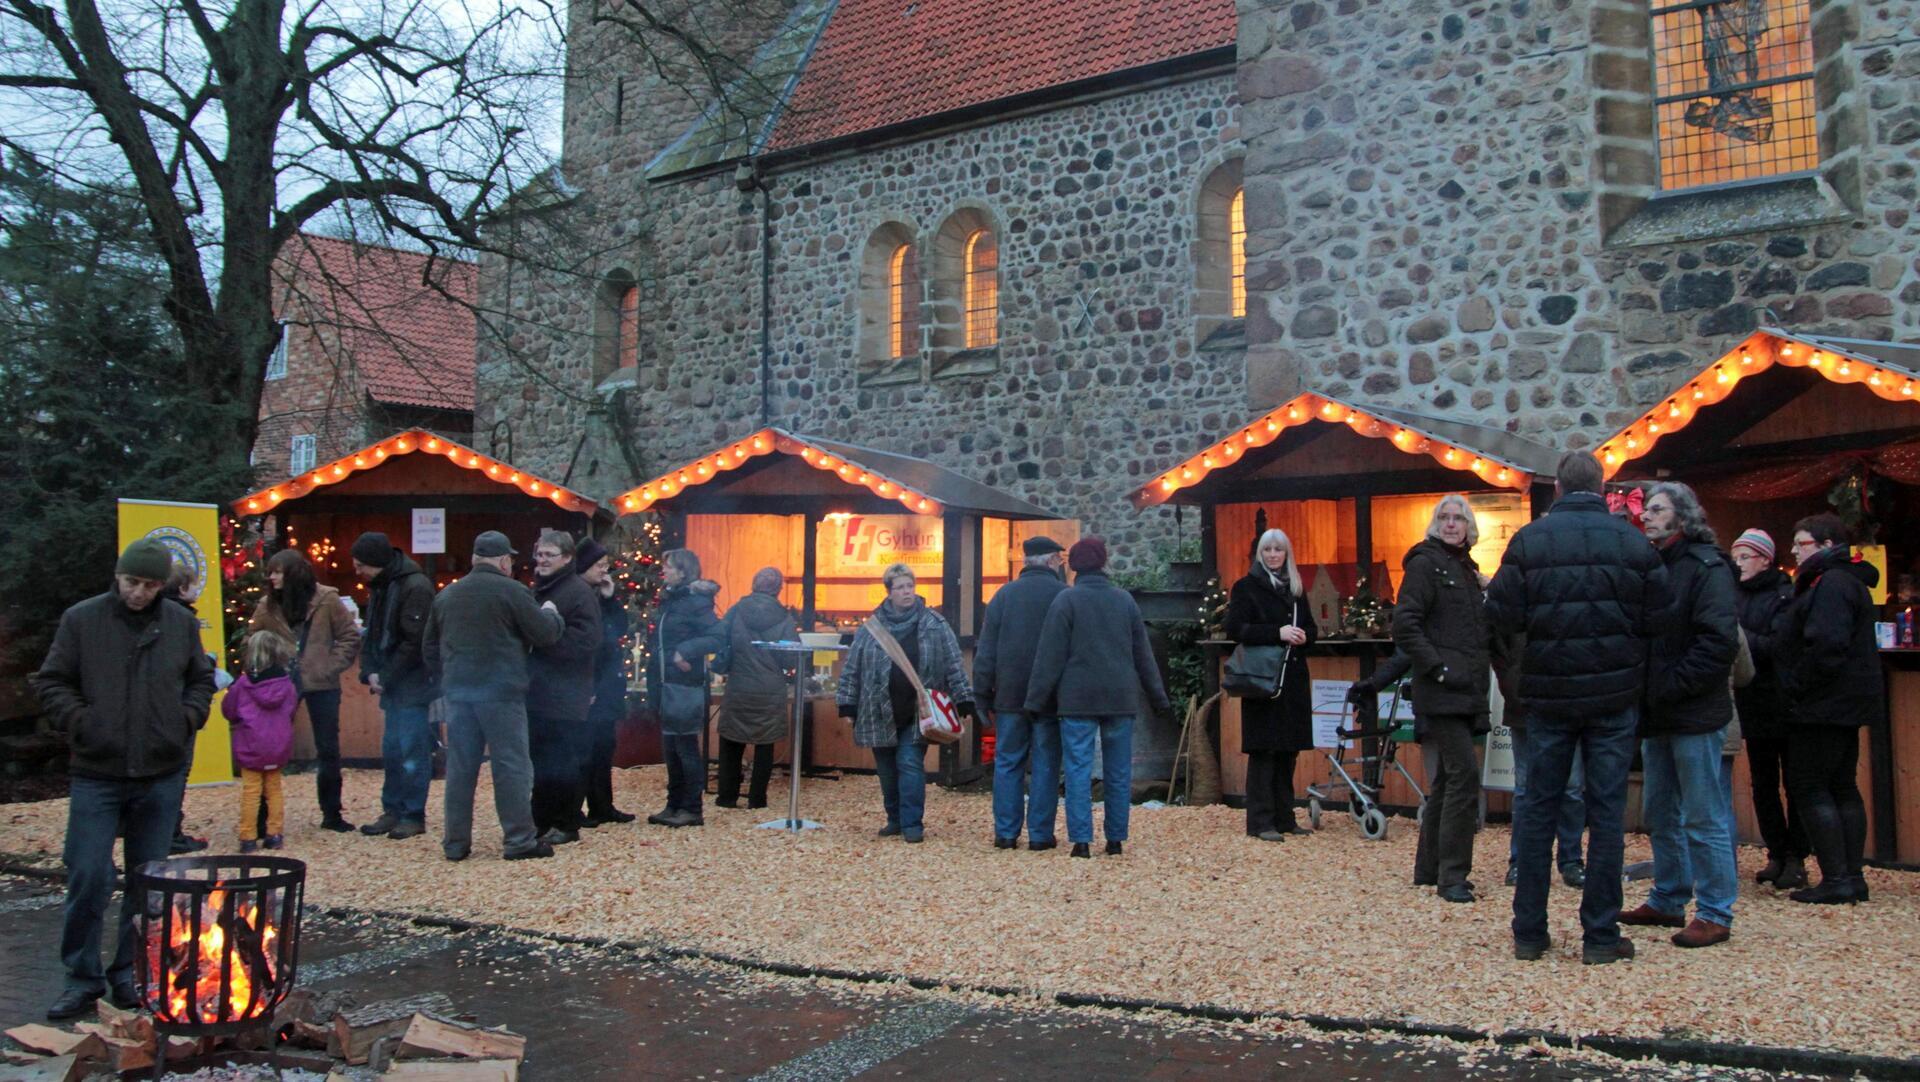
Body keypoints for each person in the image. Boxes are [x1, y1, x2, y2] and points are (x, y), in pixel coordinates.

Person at [1486, 451, 1666, 966]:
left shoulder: (1530, 540)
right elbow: (1661, 615)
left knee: (1538, 807)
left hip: (1549, 695)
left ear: (1559, 489)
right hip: (1612, 697)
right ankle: (1601, 937)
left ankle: (1530, 932)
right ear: (1602, 487)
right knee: (1606, 815)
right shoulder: (1631, 541)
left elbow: (1500, 614)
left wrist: (1526, 672)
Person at [33, 539, 215, 1019]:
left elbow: (201, 678)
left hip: (160, 769)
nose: (139, 593)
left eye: (150, 585)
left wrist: (186, 718)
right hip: (98, 769)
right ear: (118, 577)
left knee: (148, 881)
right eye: (133, 582)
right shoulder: (83, 620)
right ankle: (81, 978)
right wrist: (82, 722)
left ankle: (131, 972)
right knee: (89, 873)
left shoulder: (179, 623)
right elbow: (52, 681)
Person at [1620, 482, 1739, 949]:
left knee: (1703, 814)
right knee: (1660, 811)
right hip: (1660, 713)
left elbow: (1718, 642)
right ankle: (1669, 895)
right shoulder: (1656, 566)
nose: (1645, 516)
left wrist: (1667, 686)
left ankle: (1714, 910)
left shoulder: (1708, 568)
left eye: (1656, 509)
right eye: (1645, 509)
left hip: (1693, 712)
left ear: (1682, 516)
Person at [424, 530, 566, 861]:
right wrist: (551, 613)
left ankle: (456, 843)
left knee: (460, 768)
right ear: (504, 561)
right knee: (511, 766)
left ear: (474, 559)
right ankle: (519, 840)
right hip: (502, 694)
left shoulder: (447, 596)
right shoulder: (512, 591)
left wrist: (449, 677)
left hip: (458, 694)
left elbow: (429, 648)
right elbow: (544, 635)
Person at [1024, 537, 1170, 858]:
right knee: (1118, 771)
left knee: (1077, 769)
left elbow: (1049, 658)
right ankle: (1115, 839)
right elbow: (1143, 655)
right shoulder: (1125, 602)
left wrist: (1035, 702)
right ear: (1104, 563)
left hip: (1077, 700)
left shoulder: (1066, 601)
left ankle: (1081, 841)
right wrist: (1159, 699)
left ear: (1073, 566)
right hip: (1119, 698)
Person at [1391, 495, 1495, 903]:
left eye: (1459, 518)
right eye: (1445, 518)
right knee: (1464, 776)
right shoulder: (1425, 564)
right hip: (1443, 689)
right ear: (1435, 524)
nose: (1452, 524)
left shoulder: (1467, 571)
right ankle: (1453, 876)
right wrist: (1437, 668)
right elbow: (1406, 623)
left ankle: (1428, 868)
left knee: (1449, 778)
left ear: (1469, 526)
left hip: (1466, 689)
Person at [1780, 513, 1882, 904]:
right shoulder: (1847, 580)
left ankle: (1838, 878)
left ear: (1825, 546)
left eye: (1801, 542)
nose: (1793, 549)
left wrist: (1797, 685)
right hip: (1845, 702)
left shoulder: (1831, 583)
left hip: (1822, 703)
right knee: (1841, 785)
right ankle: (1851, 876)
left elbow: (1825, 645)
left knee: (1811, 785)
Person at [837, 562, 975, 843]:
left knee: (910, 763)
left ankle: (913, 823)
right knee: (887, 770)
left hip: (918, 710)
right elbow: (853, 668)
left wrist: (964, 700)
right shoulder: (871, 629)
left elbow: (953, 664)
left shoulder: (935, 625)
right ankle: (895, 819)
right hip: (878, 708)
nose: (906, 592)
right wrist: (847, 704)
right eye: (900, 587)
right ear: (889, 592)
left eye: (910, 586)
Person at [249, 548, 362, 831]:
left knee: (328, 748)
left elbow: (349, 636)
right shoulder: (267, 606)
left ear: (293, 573)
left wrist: (329, 667)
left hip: (321, 684)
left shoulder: (327, 600)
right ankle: (262, 816)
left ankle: (332, 813)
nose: (272, 577)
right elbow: (253, 640)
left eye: (277, 571)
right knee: (268, 747)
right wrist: (266, 669)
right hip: (279, 684)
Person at [975, 535, 1068, 850]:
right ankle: (1040, 835)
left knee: (1008, 761)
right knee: (1045, 763)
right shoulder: (1063, 596)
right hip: (1051, 697)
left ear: (1027, 562)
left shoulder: (1004, 596)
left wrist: (982, 694)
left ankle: (1006, 833)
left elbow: (986, 650)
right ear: (1053, 561)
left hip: (1009, 695)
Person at [1224, 528, 1318, 841]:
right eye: (1268, 550)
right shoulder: (1246, 587)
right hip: (1263, 681)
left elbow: (1311, 628)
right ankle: (1260, 821)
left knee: (1287, 752)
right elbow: (1235, 628)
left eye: (1278, 550)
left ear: (1286, 554)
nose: (1273, 555)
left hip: (1291, 678)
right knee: (1264, 752)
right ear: (1260, 554)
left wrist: (1304, 636)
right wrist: (1275, 633)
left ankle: (1285, 817)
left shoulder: (1295, 589)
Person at [1728, 528, 1807, 890]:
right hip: (1751, 700)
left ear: (1764, 559)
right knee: (1762, 783)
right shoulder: (1733, 594)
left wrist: (1740, 639)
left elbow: (1779, 644)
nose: (1738, 563)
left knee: (1795, 782)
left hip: (1783, 699)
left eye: (1745, 556)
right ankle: (1776, 851)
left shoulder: (1784, 594)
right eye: (1735, 556)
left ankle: (1797, 856)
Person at [351, 531, 437, 841]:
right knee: (392, 748)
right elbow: (373, 634)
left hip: (413, 683)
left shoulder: (415, 587)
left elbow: (414, 642)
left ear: (376, 563)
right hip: (394, 683)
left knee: (412, 748)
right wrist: (370, 670)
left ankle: (413, 813)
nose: (357, 571)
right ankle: (394, 809)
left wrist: (383, 676)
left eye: (361, 564)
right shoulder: (382, 586)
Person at [526, 530, 601, 845]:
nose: (541, 560)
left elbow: (587, 640)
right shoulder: (540, 590)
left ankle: (566, 822)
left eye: (549, 555)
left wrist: (545, 640)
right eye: (540, 554)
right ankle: (541, 820)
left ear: (568, 558)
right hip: (539, 691)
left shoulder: (578, 592)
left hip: (566, 693)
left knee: (563, 759)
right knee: (541, 760)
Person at [646, 549, 725, 828]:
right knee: (672, 747)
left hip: (684, 686)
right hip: (667, 683)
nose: (663, 570)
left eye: (668, 566)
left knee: (685, 747)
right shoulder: (673, 601)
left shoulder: (696, 603)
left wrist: (684, 651)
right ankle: (674, 804)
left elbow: (717, 636)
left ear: (683, 571)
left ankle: (691, 808)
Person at [715, 567, 800, 810]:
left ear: (753, 584)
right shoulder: (784, 618)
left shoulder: (736, 611)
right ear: (778, 589)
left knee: (731, 740)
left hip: (739, 683)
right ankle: (757, 799)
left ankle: (727, 796)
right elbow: (790, 658)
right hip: (770, 688)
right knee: (765, 743)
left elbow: (720, 640)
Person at [575, 537, 636, 825]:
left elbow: (619, 629)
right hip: (589, 686)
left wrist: (611, 598)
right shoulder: (576, 595)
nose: (604, 571)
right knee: (583, 750)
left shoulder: (601, 594)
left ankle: (602, 805)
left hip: (607, 685)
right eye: (600, 565)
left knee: (603, 747)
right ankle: (576, 808)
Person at [223, 631, 300, 854]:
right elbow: (291, 710)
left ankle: (248, 837)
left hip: (251, 744)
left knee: (251, 791)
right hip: (277, 744)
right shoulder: (287, 685)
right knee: (274, 790)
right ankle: (274, 834)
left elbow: (229, 710)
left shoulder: (242, 685)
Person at [161, 559, 211, 855]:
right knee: (178, 771)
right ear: (182, 588)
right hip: (178, 708)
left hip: (166, 706)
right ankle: (171, 833)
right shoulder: (181, 620)